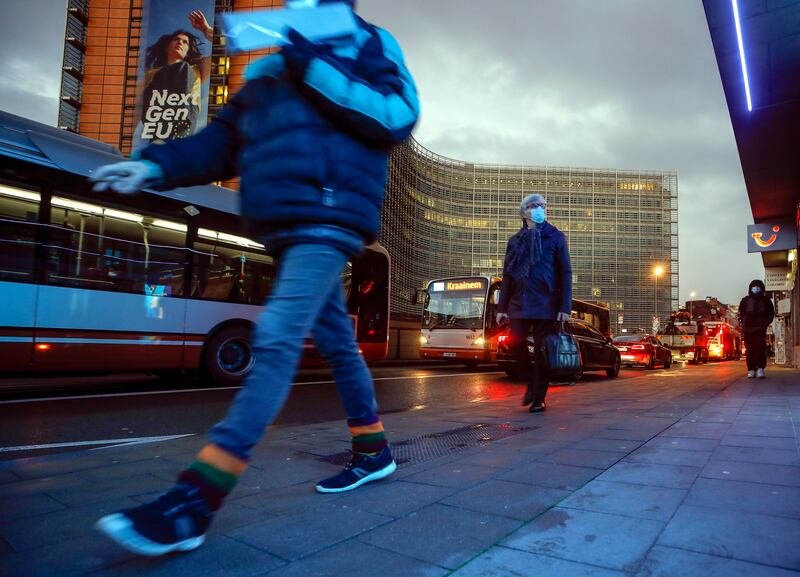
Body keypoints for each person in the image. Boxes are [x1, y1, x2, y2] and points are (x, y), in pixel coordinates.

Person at [90, 0, 418, 556]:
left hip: (328, 213)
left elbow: (395, 115)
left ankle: (194, 503)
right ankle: (372, 450)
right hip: (284, 223)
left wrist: (308, 59)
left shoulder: (367, 42)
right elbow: (224, 144)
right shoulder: (267, 66)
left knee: (275, 341)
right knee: (339, 344)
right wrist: (154, 166)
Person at [497, 194, 572, 412]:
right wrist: (502, 308)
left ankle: (539, 398)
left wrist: (564, 307)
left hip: (547, 302)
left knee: (542, 351)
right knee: (515, 342)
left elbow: (565, 272)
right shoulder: (515, 241)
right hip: (519, 302)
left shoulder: (555, 237)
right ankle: (530, 382)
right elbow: (508, 275)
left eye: (543, 205)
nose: (540, 209)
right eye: (535, 206)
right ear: (524, 212)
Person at [138, 11, 213, 144]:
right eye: (176, 39)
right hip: (157, 118)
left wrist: (207, 30)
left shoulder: (197, 70)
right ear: (167, 47)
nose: (180, 42)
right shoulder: (152, 74)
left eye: (185, 42)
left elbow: (224, 46)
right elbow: (137, 103)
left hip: (183, 119)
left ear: (188, 51)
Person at [738, 279, 774, 379]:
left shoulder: (766, 300)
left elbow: (771, 313)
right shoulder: (745, 300)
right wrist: (743, 323)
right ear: (750, 288)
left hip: (760, 328)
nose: (756, 289)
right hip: (748, 328)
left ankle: (760, 368)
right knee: (749, 349)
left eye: (758, 287)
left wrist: (765, 323)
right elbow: (741, 313)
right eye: (754, 287)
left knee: (760, 347)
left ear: (761, 288)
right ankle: (751, 369)